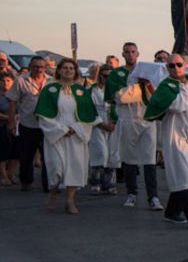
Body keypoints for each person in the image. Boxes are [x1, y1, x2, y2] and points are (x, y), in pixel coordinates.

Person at [143, 54, 188, 230]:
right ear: (167, 68)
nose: (176, 68)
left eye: (179, 64)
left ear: (185, 65)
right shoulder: (166, 86)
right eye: (171, 66)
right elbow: (177, 105)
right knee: (184, 175)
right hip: (176, 137)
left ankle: (172, 212)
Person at [34, 58, 100, 214]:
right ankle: (53, 192)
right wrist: (61, 129)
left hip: (76, 135)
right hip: (56, 134)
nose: (68, 70)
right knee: (57, 167)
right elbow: (43, 116)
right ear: (59, 70)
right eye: (65, 68)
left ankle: (70, 201)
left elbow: (89, 117)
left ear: (76, 71)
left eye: (71, 68)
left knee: (75, 167)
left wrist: (76, 128)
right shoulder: (49, 90)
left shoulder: (82, 92)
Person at [104, 42, 162, 210]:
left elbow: (154, 94)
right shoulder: (116, 74)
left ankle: (153, 196)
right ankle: (132, 192)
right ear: (123, 54)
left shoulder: (147, 72)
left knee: (150, 158)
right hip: (127, 119)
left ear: (138, 54)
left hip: (146, 119)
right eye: (127, 52)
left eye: (133, 52)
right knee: (129, 158)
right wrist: (138, 86)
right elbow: (120, 97)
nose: (130, 55)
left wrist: (146, 85)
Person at [6, 55, 50, 192]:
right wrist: (12, 121)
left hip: (47, 124)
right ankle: (26, 181)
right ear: (30, 67)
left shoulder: (51, 81)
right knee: (26, 155)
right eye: (36, 67)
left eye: (41, 67)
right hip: (28, 123)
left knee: (48, 155)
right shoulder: (21, 80)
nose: (39, 70)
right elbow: (13, 101)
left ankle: (48, 184)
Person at [87, 64, 118, 195]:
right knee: (100, 153)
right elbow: (88, 109)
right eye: (105, 76)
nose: (107, 79)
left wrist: (115, 123)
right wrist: (101, 124)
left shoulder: (117, 91)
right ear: (100, 75)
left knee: (112, 155)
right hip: (98, 126)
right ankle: (95, 181)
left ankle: (109, 183)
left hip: (114, 126)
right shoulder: (91, 90)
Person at [0, 71, 20, 186]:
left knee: (15, 151)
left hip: (16, 127)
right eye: (2, 81)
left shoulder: (15, 96)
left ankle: (11, 173)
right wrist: (9, 117)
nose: (5, 83)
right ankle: (4, 175)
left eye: (8, 81)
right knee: (3, 151)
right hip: (2, 126)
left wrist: (15, 117)